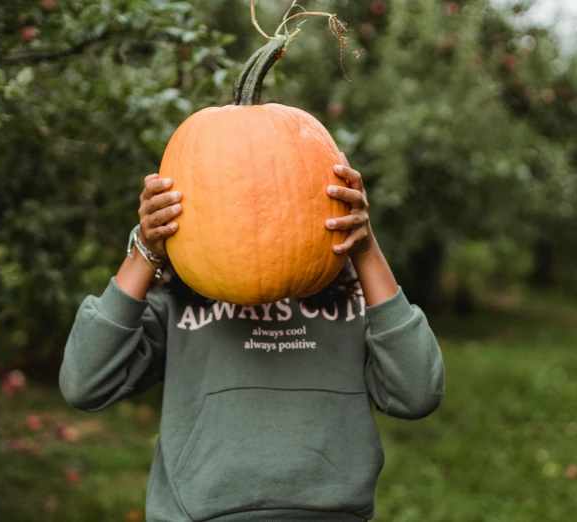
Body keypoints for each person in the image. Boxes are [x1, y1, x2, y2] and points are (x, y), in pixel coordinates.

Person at [59, 153, 445, 522]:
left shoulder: (356, 300)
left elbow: (417, 392)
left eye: (278, 185)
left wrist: (364, 248)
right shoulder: (177, 300)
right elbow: (85, 382)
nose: (259, 202)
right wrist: (146, 250)